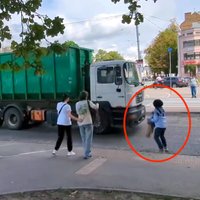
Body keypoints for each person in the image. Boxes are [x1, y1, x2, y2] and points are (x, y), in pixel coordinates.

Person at [75, 91, 99, 159]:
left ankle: (86, 152)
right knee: (88, 139)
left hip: (80, 122)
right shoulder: (88, 102)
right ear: (86, 96)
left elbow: (78, 112)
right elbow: (95, 107)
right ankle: (86, 154)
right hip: (88, 122)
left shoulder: (77, 104)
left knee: (84, 139)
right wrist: (97, 104)